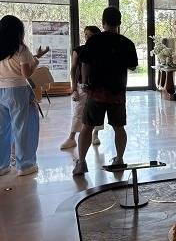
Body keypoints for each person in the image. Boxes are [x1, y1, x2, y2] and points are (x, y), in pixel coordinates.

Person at [72, 7, 138, 176]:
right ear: (119, 22)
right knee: (119, 127)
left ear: (103, 22)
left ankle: (81, 163)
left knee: (87, 127)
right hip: (117, 93)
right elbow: (132, 66)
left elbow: (85, 63)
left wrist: (85, 82)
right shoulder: (126, 43)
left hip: (96, 92)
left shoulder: (94, 40)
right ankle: (119, 159)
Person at [0, 15, 49, 176]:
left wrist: (36, 57)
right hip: (18, 91)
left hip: (0, 90)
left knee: (2, 129)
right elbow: (26, 74)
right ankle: (25, 165)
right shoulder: (21, 49)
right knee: (23, 128)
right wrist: (36, 62)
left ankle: (2, 166)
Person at [60, 26, 104, 149]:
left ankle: (95, 134)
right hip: (82, 85)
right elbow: (73, 69)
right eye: (86, 35)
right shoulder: (79, 50)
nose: (87, 37)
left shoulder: (102, 51)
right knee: (78, 111)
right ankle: (71, 138)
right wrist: (74, 88)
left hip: (98, 86)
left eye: (90, 35)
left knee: (98, 111)